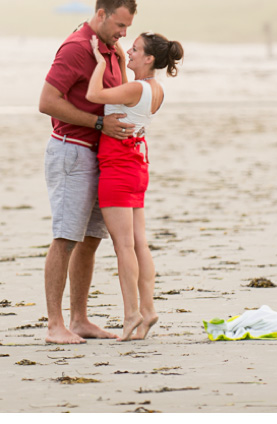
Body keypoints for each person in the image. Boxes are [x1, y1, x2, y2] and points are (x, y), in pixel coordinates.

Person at [38, 0, 140, 344]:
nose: (124, 33)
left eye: (128, 27)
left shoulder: (110, 50)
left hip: (102, 156)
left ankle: (80, 319)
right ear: (101, 14)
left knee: (90, 240)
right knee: (66, 237)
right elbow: (47, 102)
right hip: (71, 152)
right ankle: (55, 325)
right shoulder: (76, 47)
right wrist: (98, 124)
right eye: (120, 25)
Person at [86, 31, 183, 341]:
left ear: (149, 58)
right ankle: (148, 309)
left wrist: (101, 61)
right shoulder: (157, 89)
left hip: (117, 168)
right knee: (139, 242)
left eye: (135, 49)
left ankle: (131, 315)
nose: (129, 51)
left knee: (123, 246)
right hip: (137, 167)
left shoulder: (134, 88)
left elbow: (93, 95)